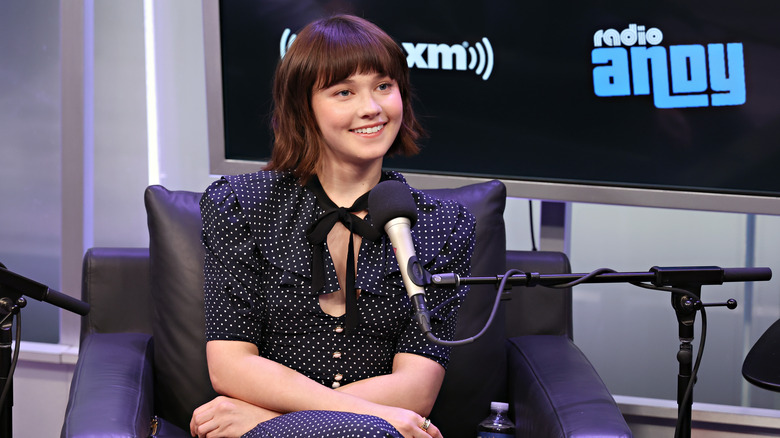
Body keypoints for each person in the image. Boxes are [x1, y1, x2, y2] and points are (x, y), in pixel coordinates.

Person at [189, 14, 476, 438]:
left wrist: (275, 418)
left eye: (384, 86)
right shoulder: (240, 205)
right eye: (344, 92)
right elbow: (230, 364)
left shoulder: (443, 225)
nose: (371, 108)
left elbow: (416, 389)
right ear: (303, 107)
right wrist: (369, 415)